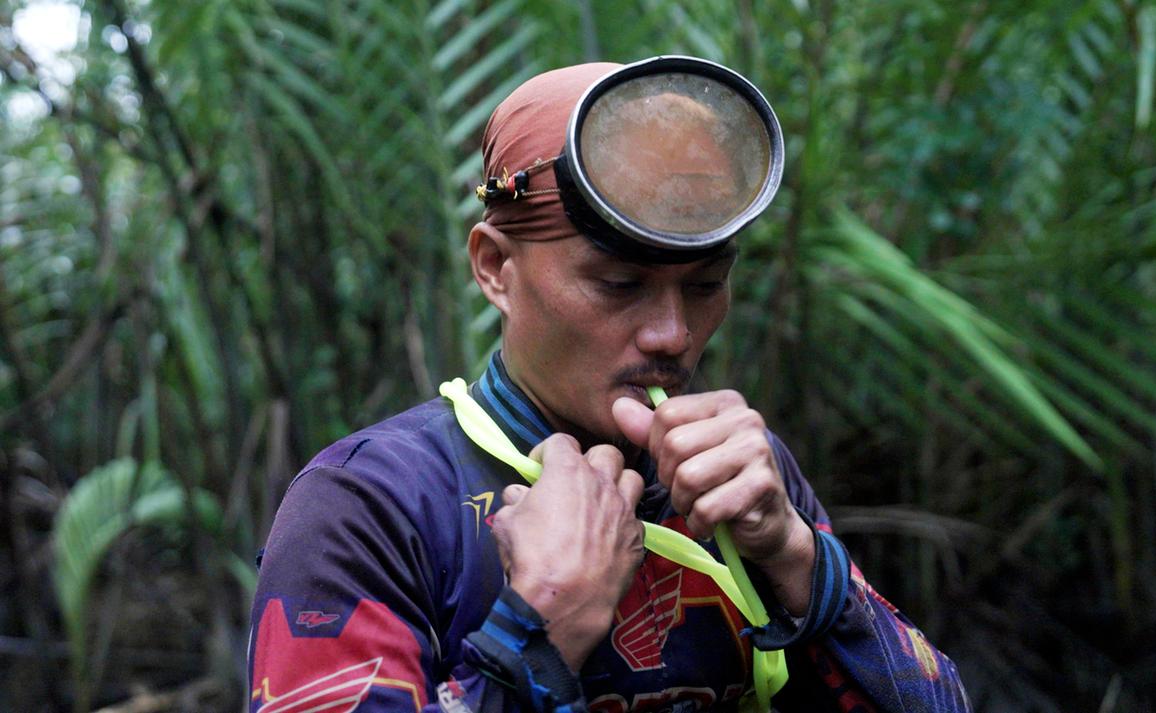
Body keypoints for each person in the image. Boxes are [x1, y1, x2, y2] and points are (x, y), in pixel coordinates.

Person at [246, 57, 970, 713]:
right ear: (496, 267)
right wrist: (536, 633)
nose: (671, 333)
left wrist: (794, 555)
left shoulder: (741, 478)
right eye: (619, 283)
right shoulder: (371, 504)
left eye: (705, 285)